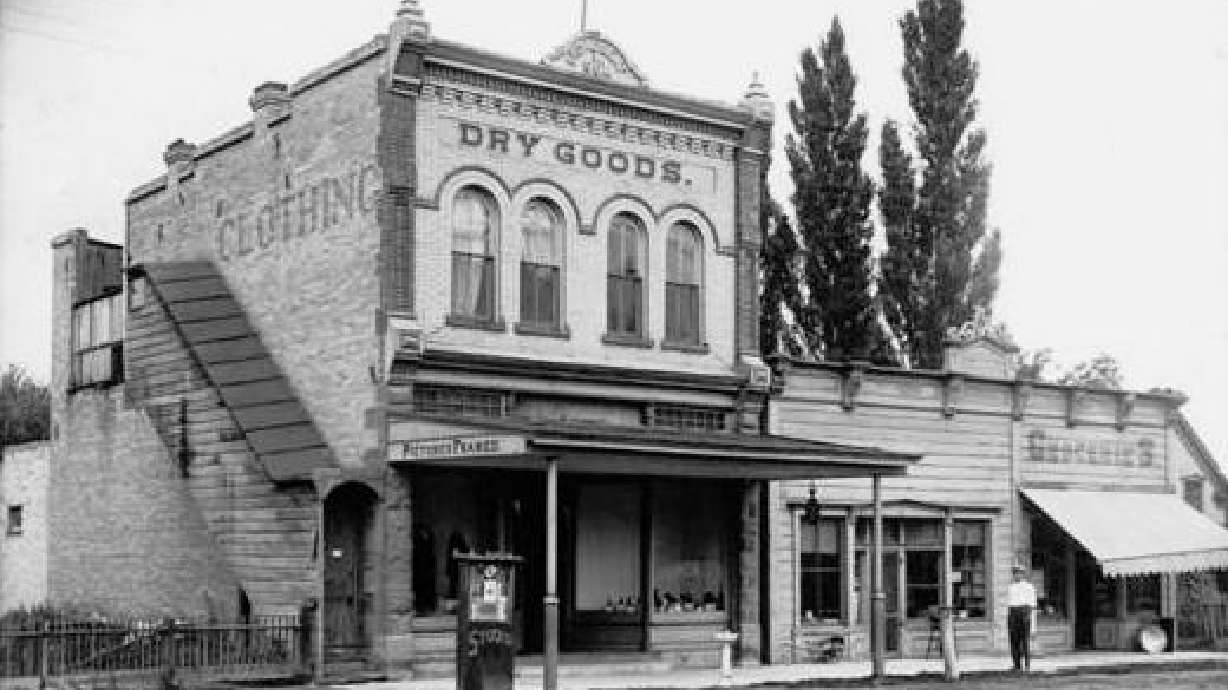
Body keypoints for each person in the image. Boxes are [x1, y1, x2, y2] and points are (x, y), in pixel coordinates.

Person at [1006, 562, 1038, 672]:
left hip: (1025, 613)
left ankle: (1027, 666)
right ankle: (1016, 665)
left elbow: (1033, 607)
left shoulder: (1029, 587)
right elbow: (1009, 605)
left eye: (1018, 573)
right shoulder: (1011, 588)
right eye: (1014, 573)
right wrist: (1009, 619)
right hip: (1013, 614)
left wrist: (1033, 625)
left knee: (1025, 641)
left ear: (1023, 574)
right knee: (1014, 641)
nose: (1016, 575)